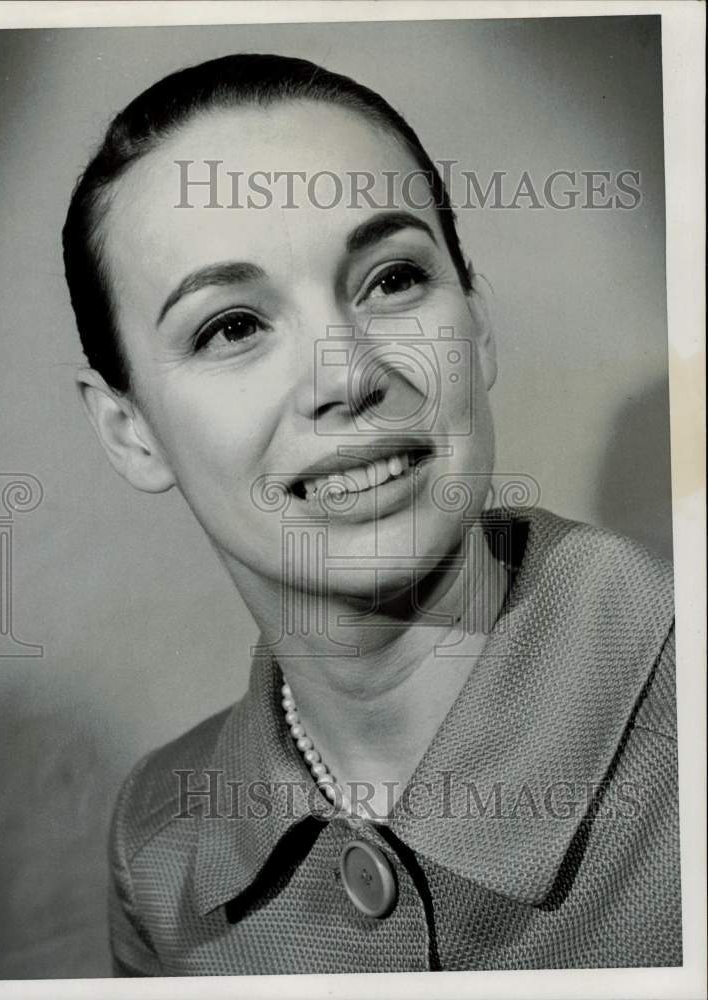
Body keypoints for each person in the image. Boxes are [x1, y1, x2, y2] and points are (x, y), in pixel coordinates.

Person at [62, 53, 680, 975]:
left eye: (391, 280)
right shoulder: (157, 843)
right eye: (231, 326)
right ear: (129, 430)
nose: (348, 376)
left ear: (475, 325)